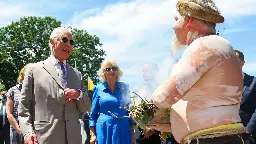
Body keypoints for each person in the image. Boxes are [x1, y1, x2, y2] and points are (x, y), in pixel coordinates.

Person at [150, 0, 254, 143]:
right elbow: (205, 107)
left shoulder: (205, 45)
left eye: (177, 19)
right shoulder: (217, 44)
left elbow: (164, 97)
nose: (173, 26)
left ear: (189, 20)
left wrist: (145, 108)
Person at [18, 27, 91, 144]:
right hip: (44, 137)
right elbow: (24, 107)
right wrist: (28, 132)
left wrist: (78, 94)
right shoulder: (34, 70)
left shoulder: (77, 74)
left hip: (74, 138)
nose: (69, 45)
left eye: (71, 42)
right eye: (65, 40)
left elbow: (86, 107)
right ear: (52, 41)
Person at [89, 60, 136, 144]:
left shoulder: (124, 87)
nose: (112, 71)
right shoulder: (98, 88)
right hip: (104, 130)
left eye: (114, 68)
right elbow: (93, 115)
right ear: (104, 73)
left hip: (123, 130)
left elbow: (130, 110)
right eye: (108, 69)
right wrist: (93, 135)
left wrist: (132, 133)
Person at [133, 63, 162, 144]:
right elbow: (135, 111)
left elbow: (164, 111)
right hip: (141, 136)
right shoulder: (138, 89)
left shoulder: (161, 89)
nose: (143, 73)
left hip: (157, 136)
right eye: (143, 71)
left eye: (146, 71)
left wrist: (153, 129)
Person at [6, 64, 30, 144]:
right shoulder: (12, 91)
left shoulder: (38, 91)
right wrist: (19, 130)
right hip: (16, 130)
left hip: (33, 131)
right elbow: (9, 113)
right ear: (23, 74)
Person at [235, 50, 256, 142]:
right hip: (226, 135)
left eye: (235, 61)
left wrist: (248, 132)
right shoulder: (222, 85)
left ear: (242, 63)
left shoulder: (253, 82)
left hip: (249, 135)